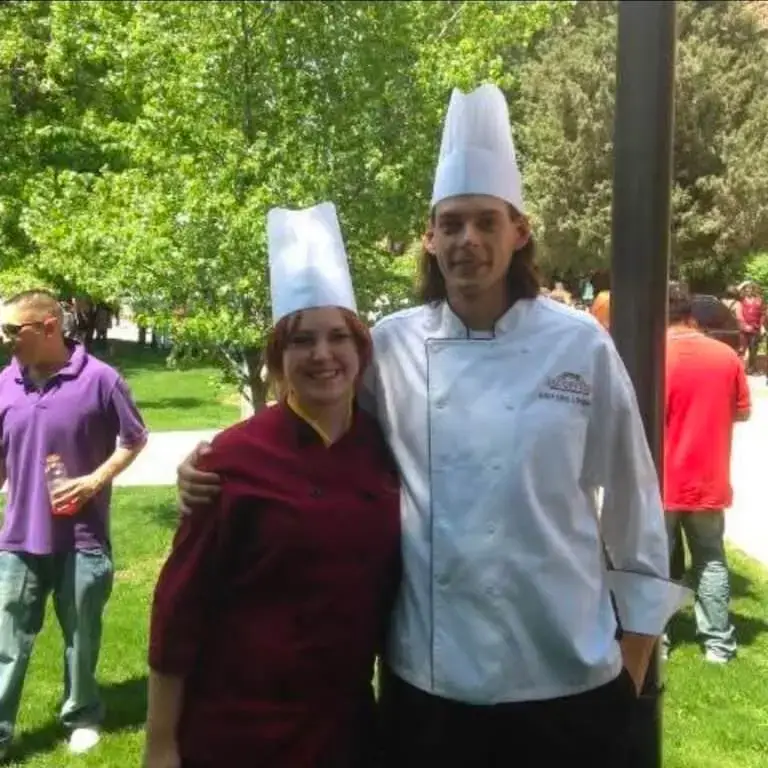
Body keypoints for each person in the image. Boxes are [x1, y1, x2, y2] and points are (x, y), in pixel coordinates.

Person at [176, 85, 687, 766]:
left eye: (484, 222)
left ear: (519, 232)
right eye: (450, 224)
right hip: (430, 688)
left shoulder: (579, 346)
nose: (466, 241)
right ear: (429, 236)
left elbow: (633, 508)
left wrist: (630, 666)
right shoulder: (388, 346)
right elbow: (314, 427)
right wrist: (215, 467)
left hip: (568, 678)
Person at [145, 203, 401, 768]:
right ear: (278, 358)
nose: (322, 355)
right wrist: (161, 743)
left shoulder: (387, 450)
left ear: (361, 350)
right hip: (238, 731)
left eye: (339, 337)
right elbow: (176, 612)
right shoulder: (231, 460)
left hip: (347, 731)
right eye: (301, 340)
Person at [0, 290, 147, 758]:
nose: (4, 340)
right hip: (18, 538)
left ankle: (81, 713)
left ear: (47, 327)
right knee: (7, 641)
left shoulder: (101, 380)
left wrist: (94, 481)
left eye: (11, 330)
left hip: (82, 535)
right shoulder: (5, 382)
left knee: (81, 634)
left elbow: (134, 438)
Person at [663, 283, 750, 664]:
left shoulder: (649, 356)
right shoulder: (725, 357)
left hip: (659, 479)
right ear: (691, 314)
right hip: (708, 478)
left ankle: (656, 643)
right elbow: (743, 411)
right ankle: (718, 645)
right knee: (710, 558)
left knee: (656, 563)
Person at [738, 281, 763, 374]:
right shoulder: (742, 299)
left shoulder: (759, 300)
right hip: (744, 328)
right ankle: (739, 369)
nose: (748, 291)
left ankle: (751, 369)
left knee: (753, 350)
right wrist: (744, 283)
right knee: (741, 349)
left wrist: (760, 326)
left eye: (750, 289)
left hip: (755, 328)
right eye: (746, 289)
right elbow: (736, 290)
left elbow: (762, 314)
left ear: (753, 290)